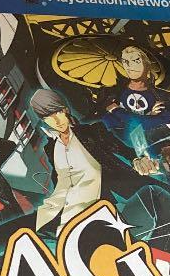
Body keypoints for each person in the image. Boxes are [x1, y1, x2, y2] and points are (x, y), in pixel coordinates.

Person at [29, 88, 160, 232]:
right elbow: (59, 176)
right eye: (48, 117)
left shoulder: (91, 131)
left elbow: (120, 147)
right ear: (44, 120)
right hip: (76, 205)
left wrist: (135, 160)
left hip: (112, 193)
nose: (56, 120)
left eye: (58, 112)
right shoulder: (51, 147)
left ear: (65, 109)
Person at [101, 44, 170, 146]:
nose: (130, 66)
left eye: (136, 61)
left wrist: (117, 111)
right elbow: (132, 138)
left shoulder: (166, 97)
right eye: (125, 61)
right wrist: (155, 120)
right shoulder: (113, 92)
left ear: (147, 64)